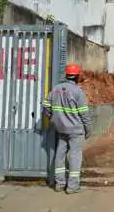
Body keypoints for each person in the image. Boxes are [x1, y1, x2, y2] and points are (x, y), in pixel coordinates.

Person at [42, 63, 92, 194]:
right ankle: (72, 187)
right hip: (76, 131)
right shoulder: (78, 92)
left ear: (67, 75)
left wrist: (54, 119)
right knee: (75, 157)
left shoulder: (56, 89)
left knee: (59, 156)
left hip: (61, 130)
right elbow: (84, 115)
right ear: (77, 77)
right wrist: (88, 130)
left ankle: (59, 184)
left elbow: (46, 107)